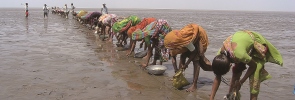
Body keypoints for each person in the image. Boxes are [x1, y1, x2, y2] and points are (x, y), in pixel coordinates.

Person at [209, 30, 283, 100]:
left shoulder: (240, 55)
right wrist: (211, 98)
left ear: (230, 65)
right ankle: (231, 97)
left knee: (254, 81)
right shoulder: (219, 57)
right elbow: (217, 76)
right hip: (239, 47)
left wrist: (241, 82)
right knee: (235, 75)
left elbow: (253, 66)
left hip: (254, 47)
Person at [164, 23, 212, 92]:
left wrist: (186, 64)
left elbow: (194, 52)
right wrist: (176, 71)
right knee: (183, 56)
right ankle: (179, 77)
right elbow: (173, 57)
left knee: (196, 61)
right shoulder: (175, 43)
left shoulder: (186, 42)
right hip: (189, 43)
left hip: (198, 39)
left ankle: (194, 85)